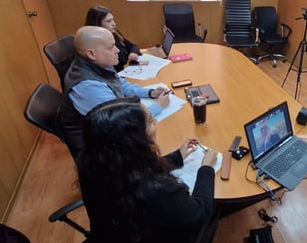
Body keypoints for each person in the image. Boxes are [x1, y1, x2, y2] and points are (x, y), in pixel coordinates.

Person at [77, 97, 219, 243]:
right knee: (215, 206)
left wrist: (177, 156)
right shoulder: (157, 189)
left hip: (115, 234)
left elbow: (136, 168)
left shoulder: (94, 166)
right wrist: (206, 168)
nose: (155, 122)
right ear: (135, 139)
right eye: (150, 121)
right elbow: (199, 211)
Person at [58, 26, 170, 158]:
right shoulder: (88, 86)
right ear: (91, 54)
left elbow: (120, 83)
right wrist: (158, 106)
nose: (117, 50)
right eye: (111, 47)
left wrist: (150, 92)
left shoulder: (98, 63)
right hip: (100, 151)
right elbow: (123, 120)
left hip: (111, 131)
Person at [85, 5, 141, 72]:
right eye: (109, 21)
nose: (114, 24)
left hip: (127, 69)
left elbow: (132, 46)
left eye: (112, 20)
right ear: (97, 24)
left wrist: (134, 52)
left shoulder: (114, 33)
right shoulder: (94, 42)